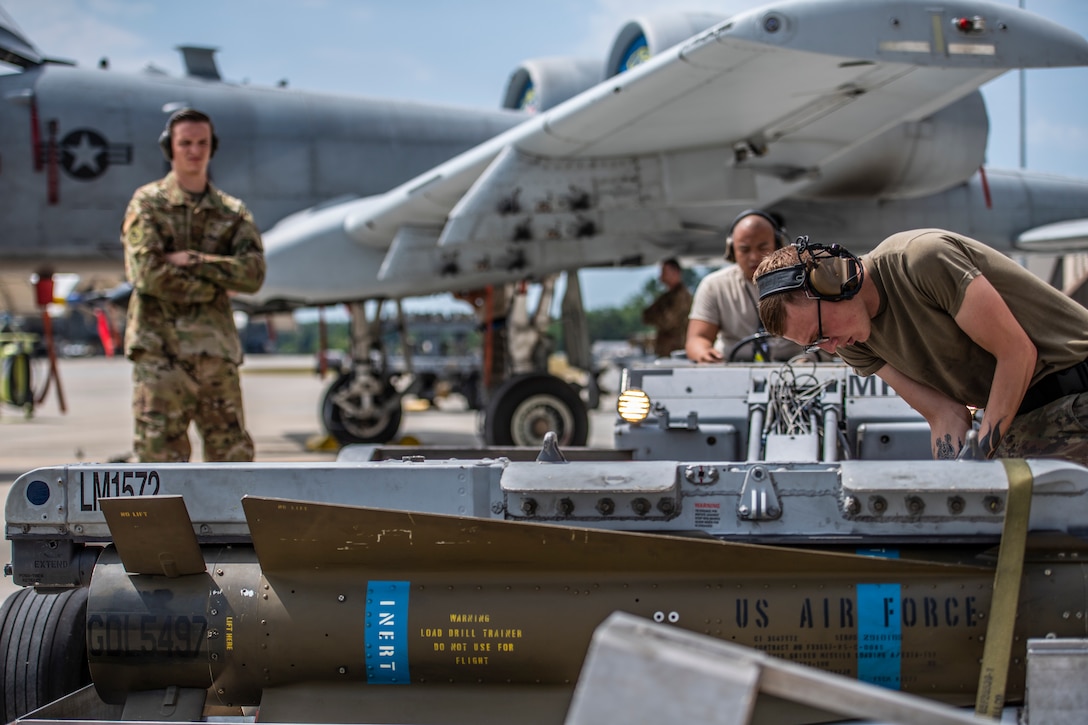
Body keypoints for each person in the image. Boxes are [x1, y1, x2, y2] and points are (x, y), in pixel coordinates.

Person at [754, 228, 1088, 463]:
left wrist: (977, 457)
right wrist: (949, 479)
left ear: (832, 281)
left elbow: (1016, 352)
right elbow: (945, 415)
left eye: (821, 332)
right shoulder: (851, 341)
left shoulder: (920, 259)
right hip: (1029, 416)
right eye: (815, 344)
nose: (830, 348)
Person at [121, 108, 266, 462]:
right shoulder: (148, 204)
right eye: (185, 142)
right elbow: (147, 273)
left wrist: (195, 261)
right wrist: (216, 285)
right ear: (169, 147)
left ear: (212, 147)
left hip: (215, 355)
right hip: (161, 355)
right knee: (159, 463)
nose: (194, 151)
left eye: (201, 143)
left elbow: (253, 274)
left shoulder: (232, 212)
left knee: (233, 460)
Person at [686, 209, 803, 362]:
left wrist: (809, 360)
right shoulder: (714, 286)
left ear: (778, 244)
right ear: (732, 250)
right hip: (732, 368)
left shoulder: (802, 280)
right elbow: (697, 339)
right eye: (744, 249)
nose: (754, 257)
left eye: (762, 248)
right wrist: (704, 354)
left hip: (798, 368)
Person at [641, 258, 692, 358]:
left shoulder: (681, 297)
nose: (661, 277)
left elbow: (668, 322)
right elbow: (646, 315)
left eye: (664, 272)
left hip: (675, 351)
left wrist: (657, 316)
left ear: (675, 272)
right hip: (666, 350)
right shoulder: (667, 297)